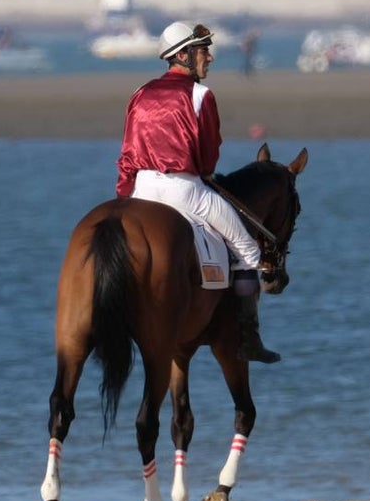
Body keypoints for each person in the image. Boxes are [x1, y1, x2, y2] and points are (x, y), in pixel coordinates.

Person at [116, 21, 281, 363]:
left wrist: (124, 198)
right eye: (204, 50)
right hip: (186, 190)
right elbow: (208, 158)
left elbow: (127, 154)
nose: (210, 57)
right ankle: (248, 338)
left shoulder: (139, 93)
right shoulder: (201, 95)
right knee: (249, 250)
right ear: (184, 55)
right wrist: (202, 172)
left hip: (142, 190)